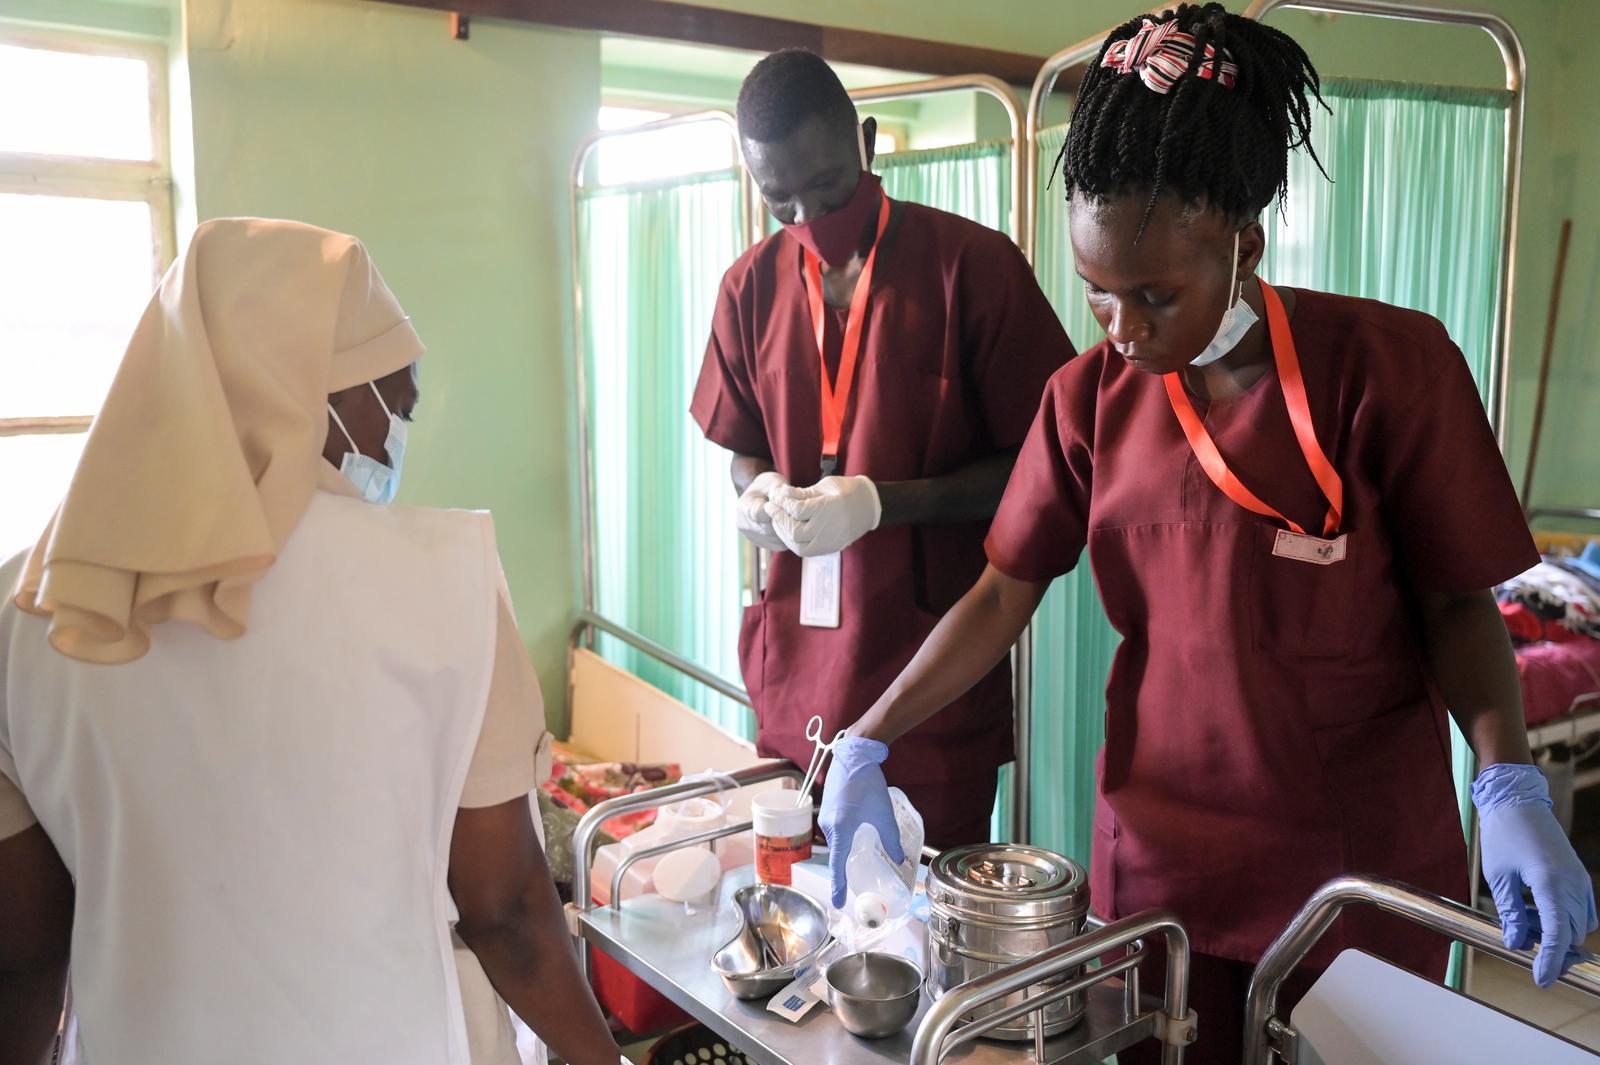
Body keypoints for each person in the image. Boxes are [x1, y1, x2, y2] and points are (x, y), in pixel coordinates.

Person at [818, 5, 1597, 1061]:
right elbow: (1003, 589)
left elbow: (1458, 601)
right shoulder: (1086, 399)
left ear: (1244, 242)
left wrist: (1504, 777)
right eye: (1096, 296)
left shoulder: (1387, 369)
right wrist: (871, 732)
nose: (1125, 332)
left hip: (1351, 871)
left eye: (1154, 296)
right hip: (1162, 865)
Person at [0, 219, 622, 1065]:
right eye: (394, 401)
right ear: (307, 391)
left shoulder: (32, 603)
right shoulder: (447, 578)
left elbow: (25, 943)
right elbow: (505, 908)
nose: (398, 434)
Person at [692, 49, 1075, 864]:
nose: (808, 214)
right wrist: (755, 489)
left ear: (867, 142)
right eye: (779, 199)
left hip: (929, 684)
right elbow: (740, 447)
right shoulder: (747, 288)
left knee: (920, 935)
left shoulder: (970, 270)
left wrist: (882, 501)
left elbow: (1047, 469)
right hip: (797, 676)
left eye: (829, 189)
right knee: (800, 922)